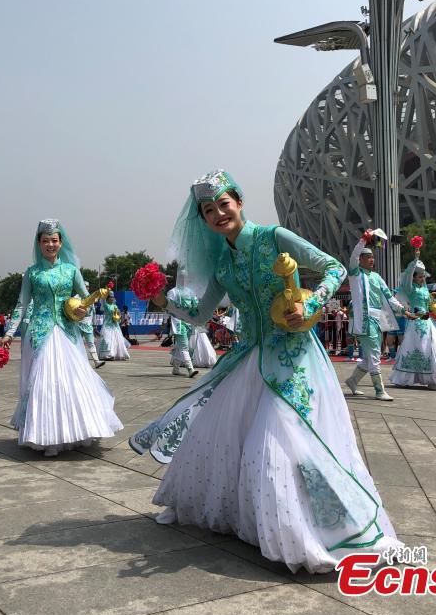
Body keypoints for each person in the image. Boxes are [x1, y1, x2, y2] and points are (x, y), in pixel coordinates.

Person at [129, 170, 400, 573]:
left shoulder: (274, 237)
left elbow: (333, 269)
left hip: (294, 358)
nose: (219, 214)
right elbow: (202, 314)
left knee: (279, 442)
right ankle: (262, 523)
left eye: (224, 204)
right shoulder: (223, 262)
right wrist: (161, 298)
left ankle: (318, 530)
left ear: (238, 201)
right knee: (222, 435)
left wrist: (310, 305)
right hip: (251, 357)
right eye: (209, 211)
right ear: (204, 221)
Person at [1, 219, 122, 456]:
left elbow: (87, 299)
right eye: (45, 241)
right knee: (44, 382)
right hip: (41, 332)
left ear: (61, 242)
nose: (50, 245)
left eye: (54, 241)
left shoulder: (71, 270)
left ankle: (74, 429)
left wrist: (83, 310)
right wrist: (8, 332)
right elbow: (21, 305)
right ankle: (46, 434)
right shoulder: (32, 273)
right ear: (39, 243)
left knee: (72, 380)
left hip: (67, 332)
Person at [344, 231, 408, 401]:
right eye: (368, 257)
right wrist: (363, 240)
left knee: (372, 355)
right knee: (374, 354)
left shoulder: (377, 277)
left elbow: (389, 297)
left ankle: (352, 381)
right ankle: (379, 390)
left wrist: (404, 311)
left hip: (377, 319)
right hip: (365, 321)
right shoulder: (355, 274)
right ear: (361, 260)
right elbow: (353, 256)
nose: (372, 260)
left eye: (373, 257)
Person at [390, 258, 436, 390]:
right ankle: (407, 378)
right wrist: (415, 259)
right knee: (417, 347)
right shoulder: (410, 289)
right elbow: (407, 277)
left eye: (423, 276)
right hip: (416, 321)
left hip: (428, 321)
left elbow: (429, 305)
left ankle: (432, 379)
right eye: (420, 276)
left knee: (432, 346)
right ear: (414, 277)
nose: (422, 279)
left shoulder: (424, 290)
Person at [98, 291, 130, 361]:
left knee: (117, 339)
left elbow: (118, 315)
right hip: (107, 324)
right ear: (108, 298)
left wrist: (118, 314)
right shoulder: (106, 305)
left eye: (113, 297)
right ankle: (108, 354)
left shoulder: (115, 306)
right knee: (107, 339)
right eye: (111, 297)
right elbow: (102, 300)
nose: (112, 298)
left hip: (115, 324)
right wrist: (105, 291)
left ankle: (119, 354)